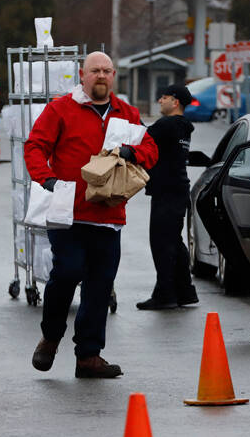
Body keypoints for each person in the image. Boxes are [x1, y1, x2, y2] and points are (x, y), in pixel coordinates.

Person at [24, 52, 158, 378]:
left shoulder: (127, 113)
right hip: (67, 211)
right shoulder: (61, 108)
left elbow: (152, 150)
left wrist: (132, 152)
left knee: (99, 286)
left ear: (114, 76)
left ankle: (88, 356)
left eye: (107, 71)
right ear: (82, 75)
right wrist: (48, 179)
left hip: (109, 214)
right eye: (95, 71)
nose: (101, 76)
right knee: (67, 272)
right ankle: (51, 336)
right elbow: (34, 147)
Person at [136, 84, 199, 310]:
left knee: (161, 243)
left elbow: (142, 138)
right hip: (178, 190)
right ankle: (185, 292)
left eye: (164, 97)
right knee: (173, 241)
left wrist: (130, 118)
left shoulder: (167, 125)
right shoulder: (183, 127)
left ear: (176, 102)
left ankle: (165, 295)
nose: (160, 100)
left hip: (166, 190)